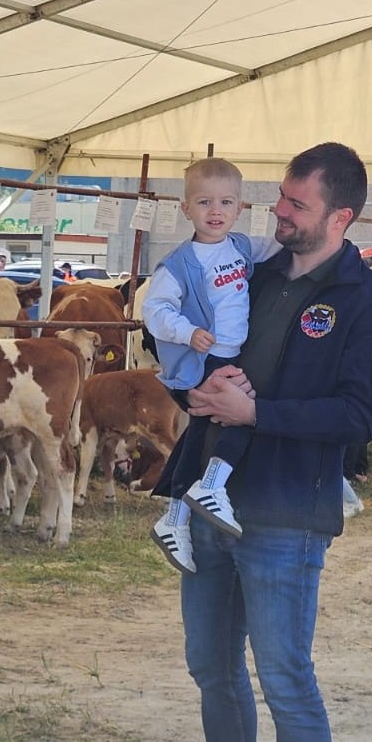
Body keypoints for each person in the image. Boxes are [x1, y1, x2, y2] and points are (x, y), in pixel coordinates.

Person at [151, 142, 372, 742]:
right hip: (210, 497)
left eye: (297, 203)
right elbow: (189, 344)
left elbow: (358, 415)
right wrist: (195, 392)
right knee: (210, 665)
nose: (278, 212)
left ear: (340, 216)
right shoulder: (250, 270)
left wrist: (256, 412)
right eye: (281, 197)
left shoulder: (370, 300)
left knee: (287, 680)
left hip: (287, 511)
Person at [142, 157, 280, 574]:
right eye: (204, 202)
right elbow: (154, 309)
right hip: (206, 356)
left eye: (226, 202)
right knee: (243, 416)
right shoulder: (181, 263)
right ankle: (212, 485)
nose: (215, 211)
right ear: (186, 209)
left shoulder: (241, 247)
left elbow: (284, 248)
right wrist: (187, 332)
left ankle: (175, 517)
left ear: (240, 208)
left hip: (233, 353)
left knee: (201, 432)